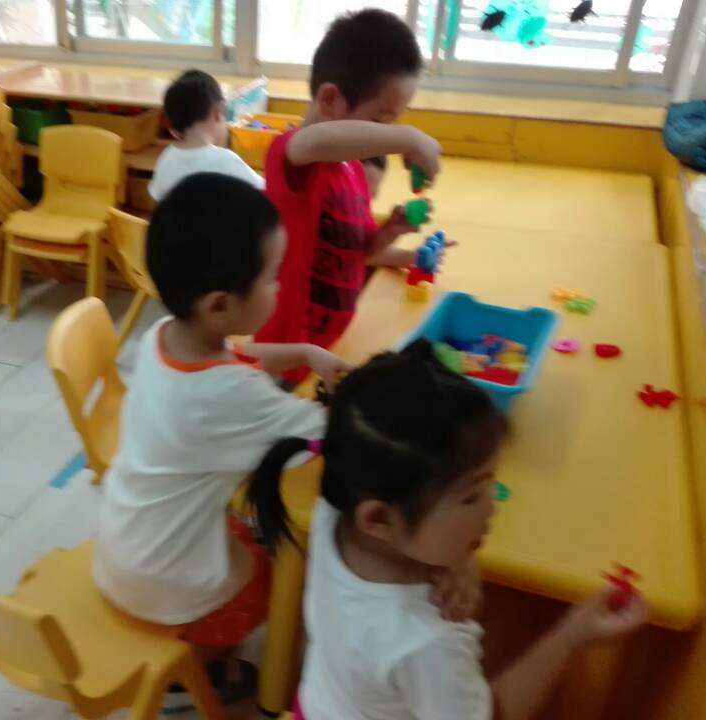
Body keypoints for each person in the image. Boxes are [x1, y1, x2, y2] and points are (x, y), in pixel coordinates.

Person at [246, 344, 648, 720]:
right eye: (472, 495)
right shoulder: (424, 642)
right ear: (380, 520)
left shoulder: (336, 507)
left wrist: (459, 559)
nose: (492, 506)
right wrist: (571, 636)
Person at [94, 173, 349, 709]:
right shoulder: (227, 394)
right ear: (218, 306)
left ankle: (196, 646)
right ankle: (195, 672)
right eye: (272, 277)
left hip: (123, 544)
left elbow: (241, 356)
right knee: (278, 573)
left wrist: (305, 354)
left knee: (245, 527)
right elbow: (329, 432)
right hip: (160, 583)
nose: (279, 287)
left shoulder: (164, 337)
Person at [254, 9, 443, 382]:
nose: (386, 134)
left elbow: (358, 253)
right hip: (287, 361)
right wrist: (408, 138)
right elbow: (317, 141)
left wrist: (388, 233)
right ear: (329, 101)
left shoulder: (353, 170)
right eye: (381, 120)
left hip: (331, 348)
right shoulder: (292, 154)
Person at [149, 69, 264, 202]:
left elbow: (157, 198)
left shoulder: (167, 157)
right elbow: (267, 190)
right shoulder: (225, 160)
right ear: (219, 111)